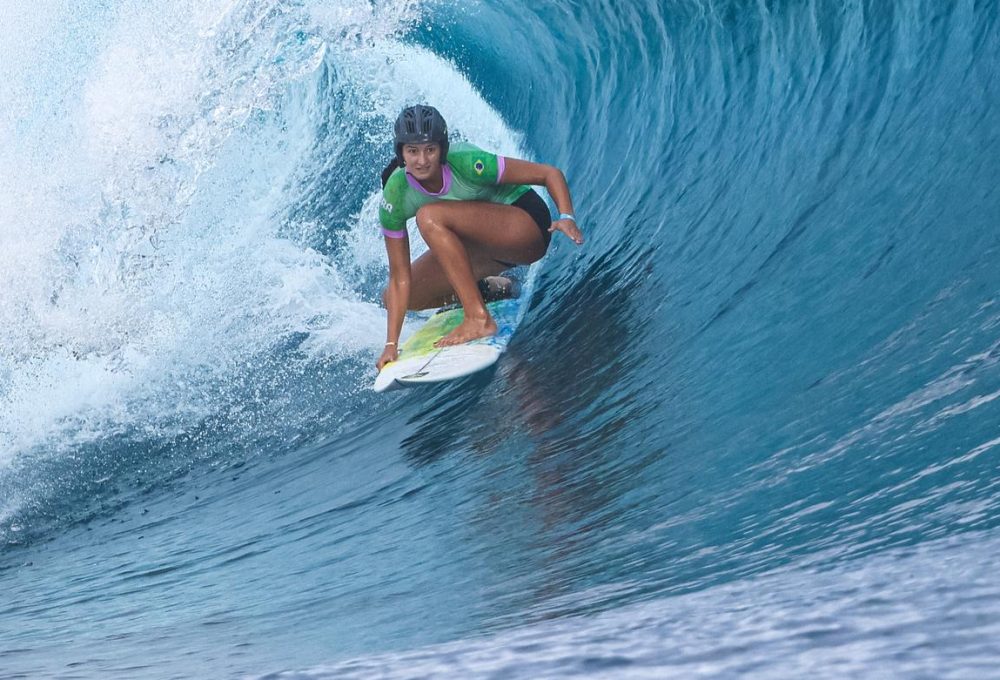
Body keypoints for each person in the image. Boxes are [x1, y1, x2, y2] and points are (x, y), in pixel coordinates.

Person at [376, 105, 584, 371]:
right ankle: (491, 288)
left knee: (429, 217)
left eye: (430, 149)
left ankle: (478, 317)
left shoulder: (467, 162)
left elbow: (548, 174)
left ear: (442, 148)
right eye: (412, 151)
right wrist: (391, 344)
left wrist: (566, 216)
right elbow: (399, 278)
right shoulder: (395, 194)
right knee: (398, 298)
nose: (422, 160)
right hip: (483, 250)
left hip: (524, 227)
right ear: (401, 153)